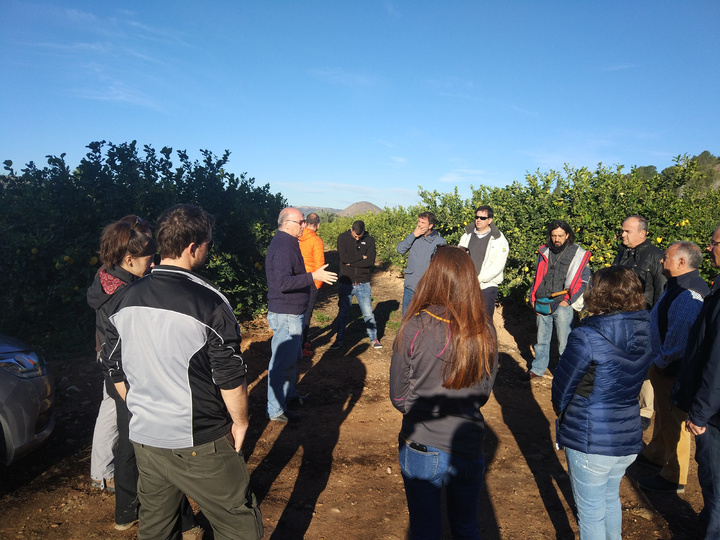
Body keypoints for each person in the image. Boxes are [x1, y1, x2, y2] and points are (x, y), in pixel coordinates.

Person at [102, 205, 263, 540]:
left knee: (157, 528)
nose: (208, 249)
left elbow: (113, 367)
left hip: (146, 438)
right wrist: (241, 422)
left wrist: (142, 409)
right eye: (208, 244)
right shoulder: (211, 302)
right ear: (194, 247)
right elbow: (229, 375)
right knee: (239, 527)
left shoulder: (123, 299)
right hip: (200, 440)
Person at [390, 245, 498, 540]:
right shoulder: (485, 329)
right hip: (468, 442)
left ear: (433, 275)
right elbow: (484, 391)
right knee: (466, 526)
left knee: (425, 530)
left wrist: (420, 409)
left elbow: (399, 396)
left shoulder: (415, 326)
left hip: (422, 442)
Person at [551, 266, 653, 540]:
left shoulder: (586, 336)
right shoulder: (645, 332)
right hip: (627, 435)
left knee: (591, 513)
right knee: (609, 500)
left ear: (598, 294)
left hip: (590, 437)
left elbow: (562, 387)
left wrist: (562, 415)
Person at [638, 242, 708, 494]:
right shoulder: (677, 286)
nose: (660, 261)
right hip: (665, 365)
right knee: (663, 414)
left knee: (674, 420)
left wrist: (659, 364)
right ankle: (656, 454)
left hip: (673, 368)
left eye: (665, 257)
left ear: (681, 262)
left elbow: (679, 341)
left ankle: (673, 476)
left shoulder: (689, 293)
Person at [266, 208, 337, 422]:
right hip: (286, 313)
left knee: (291, 359)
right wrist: (313, 275)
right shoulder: (283, 247)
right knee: (281, 364)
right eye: (301, 221)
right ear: (288, 223)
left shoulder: (288, 243)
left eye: (304, 221)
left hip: (292, 312)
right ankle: (275, 410)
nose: (304, 225)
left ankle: (289, 396)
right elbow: (283, 283)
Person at [673, 225, 720, 538]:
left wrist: (701, 411)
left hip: (715, 412)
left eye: (714, 242)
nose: (711, 247)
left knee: (715, 478)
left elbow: (717, 362)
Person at [613, 215, 667, 430]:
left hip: (643, 319)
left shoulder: (655, 256)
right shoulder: (622, 252)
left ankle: (645, 411)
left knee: (644, 366)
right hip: (620, 318)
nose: (623, 234)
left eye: (627, 231)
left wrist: (655, 323)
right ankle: (622, 402)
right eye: (623, 230)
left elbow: (662, 292)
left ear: (642, 233)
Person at [527, 220, 591, 380]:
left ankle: (564, 374)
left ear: (567, 235)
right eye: (554, 235)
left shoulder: (577, 254)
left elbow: (583, 280)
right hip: (542, 300)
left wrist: (568, 301)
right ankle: (537, 369)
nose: (556, 239)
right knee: (541, 339)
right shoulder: (545, 251)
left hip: (563, 303)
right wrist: (532, 297)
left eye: (560, 236)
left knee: (565, 342)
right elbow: (537, 276)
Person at [331, 220, 382, 349]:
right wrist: (361, 256)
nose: (357, 238)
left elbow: (370, 261)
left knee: (368, 313)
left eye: (360, 236)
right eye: (355, 236)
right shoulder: (342, 238)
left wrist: (351, 262)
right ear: (351, 230)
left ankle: (374, 338)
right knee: (343, 313)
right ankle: (339, 339)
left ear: (364, 231)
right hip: (346, 282)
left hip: (363, 282)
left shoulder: (370, 240)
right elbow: (344, 258)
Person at [458, 205, 509, 318]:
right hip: (465, 285)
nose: (478, 220)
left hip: (486, 287)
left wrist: (478, 279)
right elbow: (459, 258)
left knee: (483, 321)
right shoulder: (466, 235)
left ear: (489, 220)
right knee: (463, 318)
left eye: (482, 218)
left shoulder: (499, 239)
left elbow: (498, 266)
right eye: (477, 217)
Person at [396, 211, 446, 314]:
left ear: (430, 226)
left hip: (427, 288)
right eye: (419, 221)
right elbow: (400, 249)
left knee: (424, 319)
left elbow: (441, 266)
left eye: (423, 223)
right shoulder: (414, 238)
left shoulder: (439, 242)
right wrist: (414, 235)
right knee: (406, 317)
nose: (419, 225)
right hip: (410, 285)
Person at [298, 212, 325, 357]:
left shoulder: (297, 237)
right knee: (306, 314)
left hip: (298, 280)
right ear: (318, 225)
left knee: (298, 313)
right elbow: (319, 264)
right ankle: (301, 346)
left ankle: (301, 341)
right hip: (311, 281)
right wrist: (318, 285)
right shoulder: (316, 241)